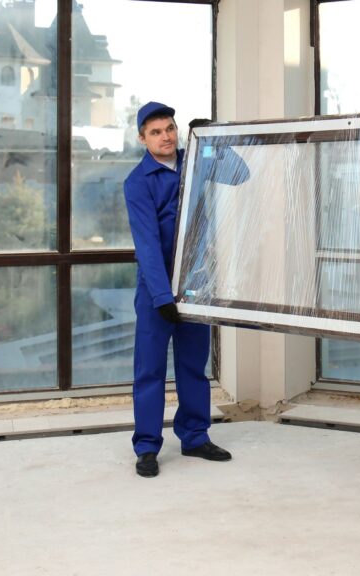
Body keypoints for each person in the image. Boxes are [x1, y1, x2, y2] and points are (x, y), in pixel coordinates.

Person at [124, 101, 232, 478]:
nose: (166, 136)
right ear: (143, 138)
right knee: (150, 370)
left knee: (192, 366)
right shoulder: (138, 183)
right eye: (156, 132)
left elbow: (240, 174)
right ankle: (147, 447)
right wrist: (162, 297)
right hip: (158, 290)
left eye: (170, 128)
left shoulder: (197, 159)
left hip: (195, 284)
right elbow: (147, 245)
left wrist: (215, 140)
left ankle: (195, 436)